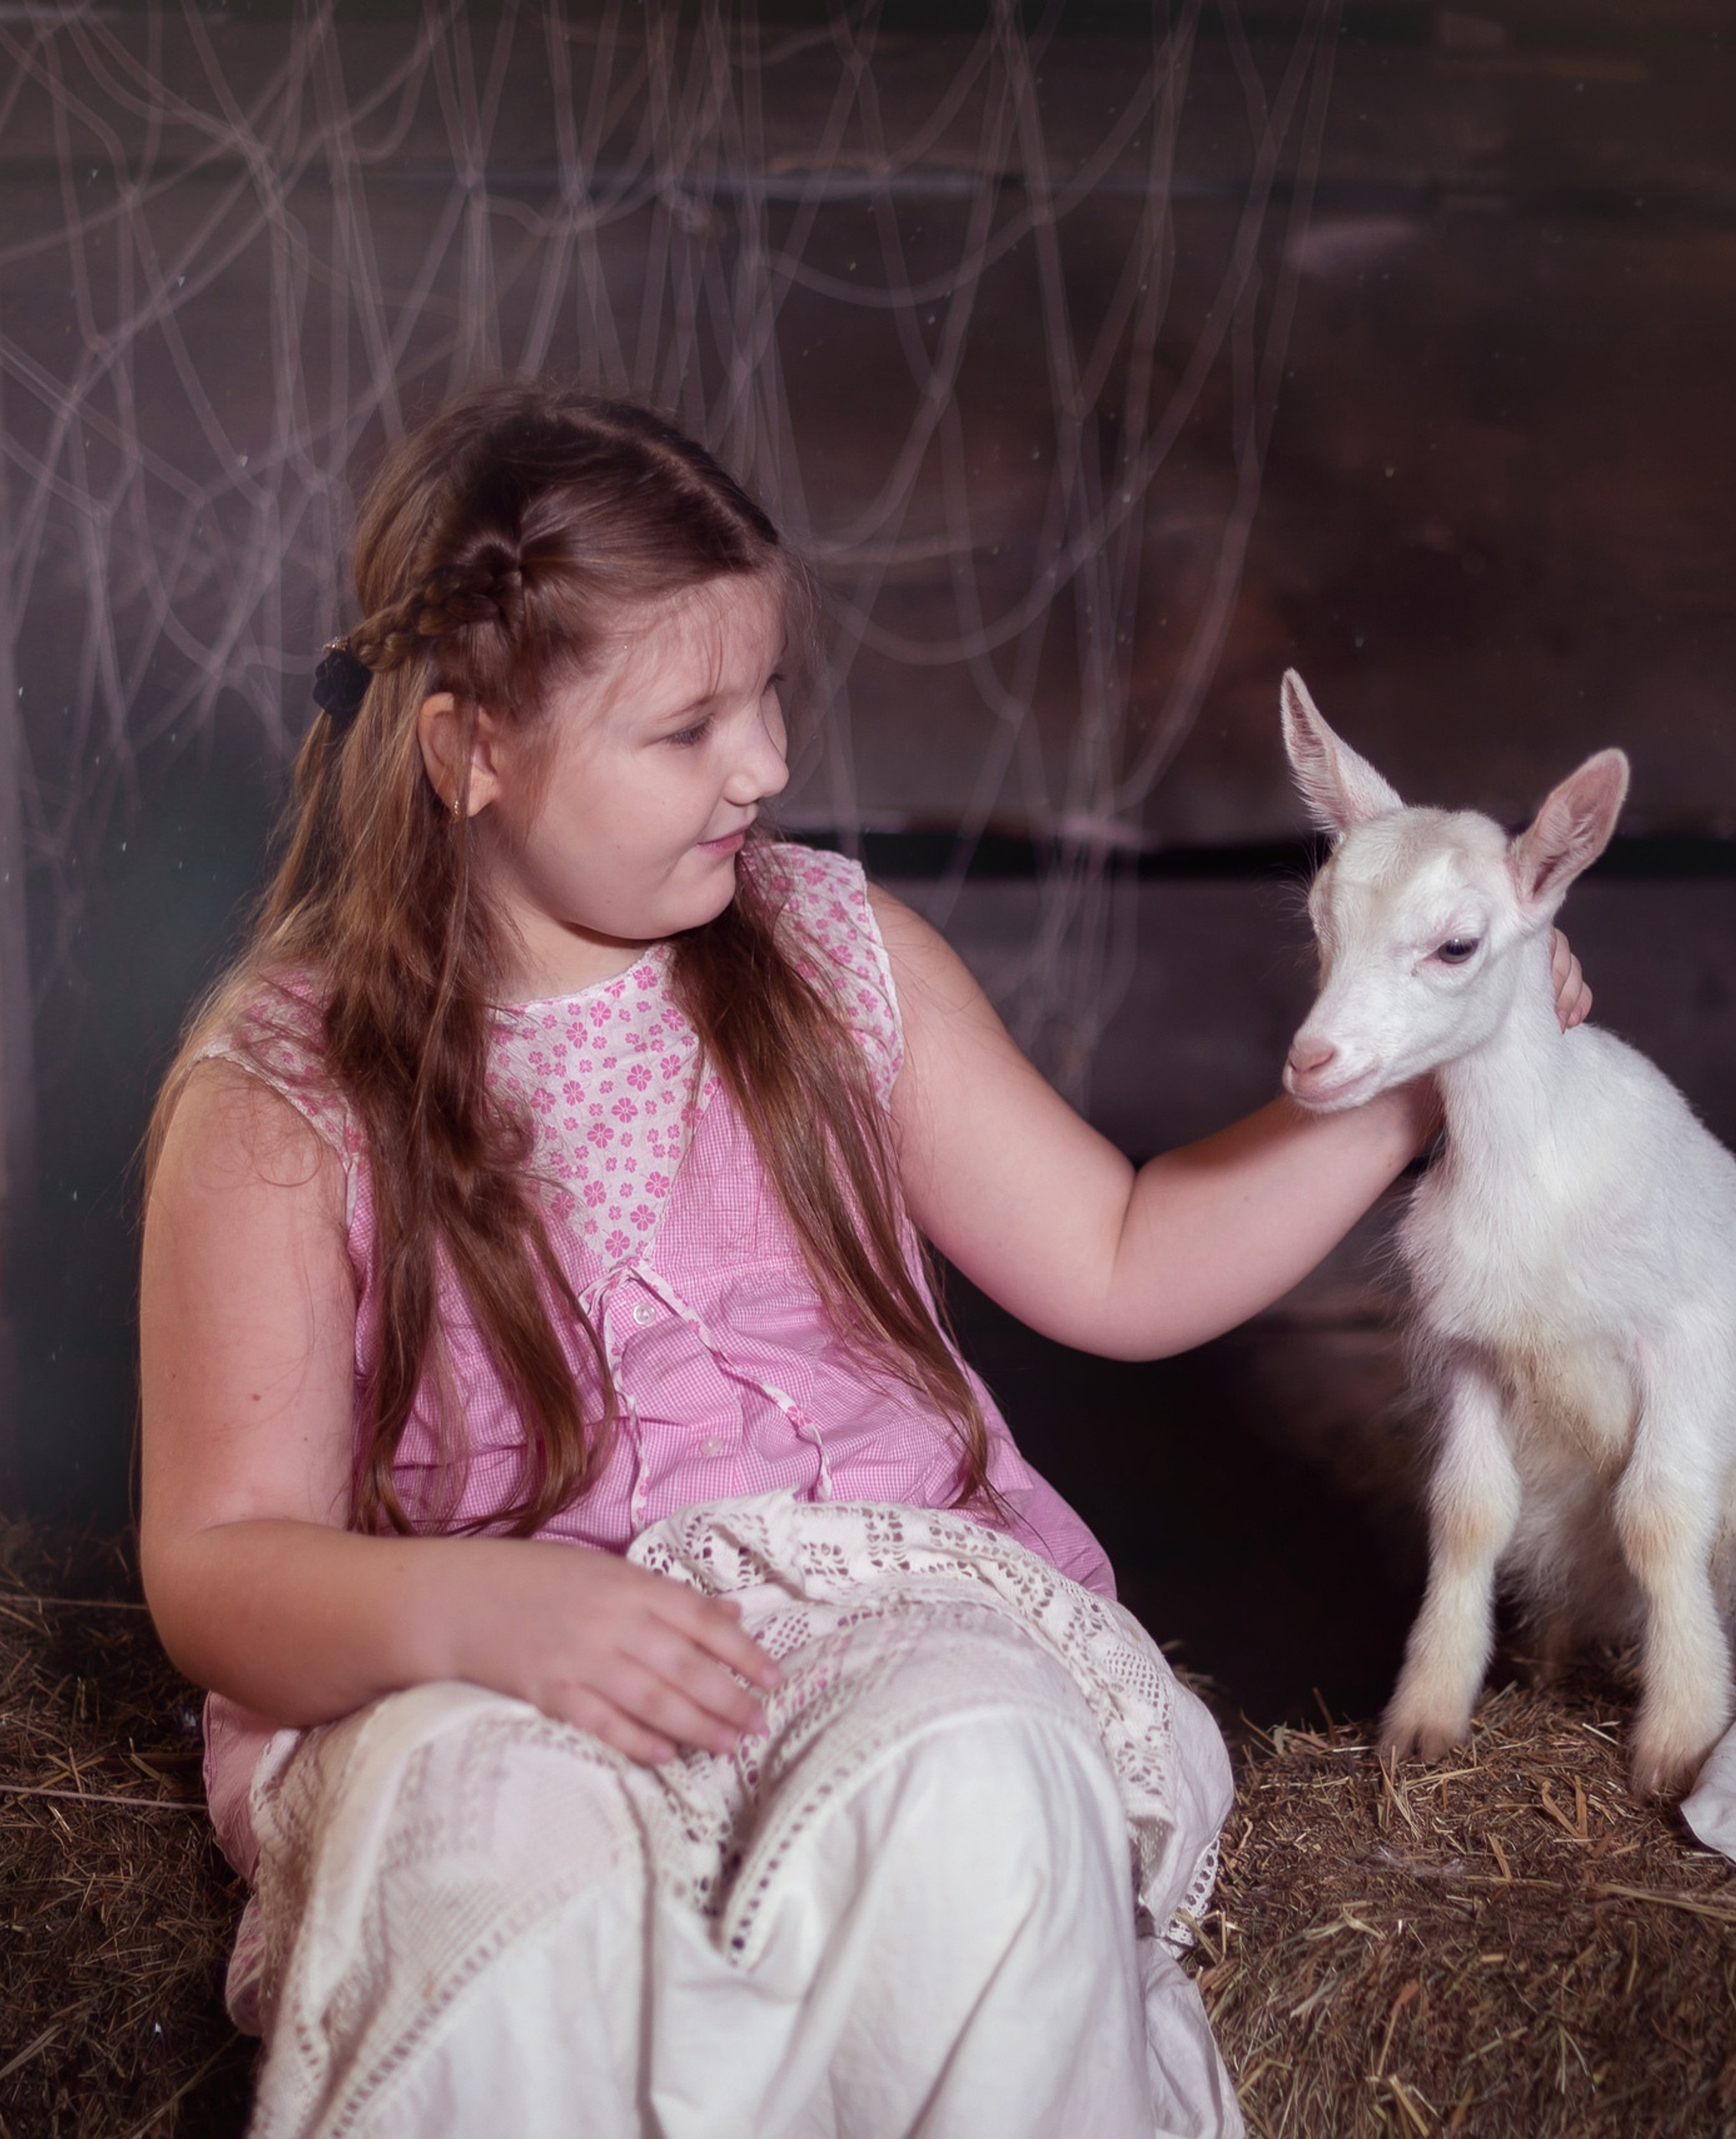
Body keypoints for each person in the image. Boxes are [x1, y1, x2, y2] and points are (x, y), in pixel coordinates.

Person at [139, 384, 1590, 2139]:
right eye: (686, 725)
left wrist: (1409, 1088)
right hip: (489, 1652)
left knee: (974, 1766)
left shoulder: (828, 952)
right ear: (466, 750)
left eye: (765, 693)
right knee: (480, 1832)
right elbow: (216, 1561)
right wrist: (474, 1607)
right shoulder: (288, 1085)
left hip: (869, 1605)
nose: (761, 760)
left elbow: (1120, 1257)